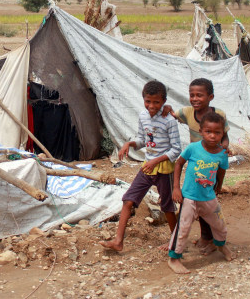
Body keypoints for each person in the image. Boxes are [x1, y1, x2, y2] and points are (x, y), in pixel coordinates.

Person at [100, 80, 181, 251]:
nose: (151, 106)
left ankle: (176, 242)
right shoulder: (143, 116)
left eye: (156, 102)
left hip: (164, 170)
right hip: (147, 167)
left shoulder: (169, 121)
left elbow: (176, 150)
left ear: (164, 101)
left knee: (167, 206)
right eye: (148, 101)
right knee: (128, 200)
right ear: (143, 99)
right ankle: (118, 241)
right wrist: (128, 144)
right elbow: (142, 140)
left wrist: (156, 160)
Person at [168, 78, 230, 255]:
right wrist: (167, 109)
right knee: (197, 201)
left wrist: (224, 148)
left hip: (212, 160)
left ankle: (209, 238)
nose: (195, 99)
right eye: (191, 95)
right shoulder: (188, 112)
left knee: (208, 203)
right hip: (196, 159)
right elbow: (173, 114)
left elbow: (224, 136)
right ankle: (205, 238)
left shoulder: (218, 115)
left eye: (199, 95)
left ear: (210, 97)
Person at [168, 112, 235, 274]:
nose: (212, 136)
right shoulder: (193, 148)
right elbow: (178, 164)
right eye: (208, 132)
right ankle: (174, 258)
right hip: (189, 196)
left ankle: (220, 245)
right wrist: (176, 188)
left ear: (222, 134)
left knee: (219, 224)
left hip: (208, 197)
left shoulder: (222, 153)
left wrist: (219, 186)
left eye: (217, 132)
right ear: (201, 131)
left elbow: (222, 171)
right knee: (183, 228)